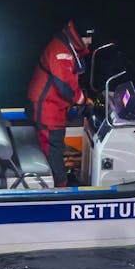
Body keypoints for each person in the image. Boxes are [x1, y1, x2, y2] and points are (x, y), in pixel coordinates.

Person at [27, 20, 95, 186]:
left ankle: (59, 183)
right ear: (78, 36)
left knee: (54, 148)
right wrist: (82, 100)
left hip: (52, 107)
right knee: (53, 150)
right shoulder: (61, 52)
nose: (89, 42)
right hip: (47, 109)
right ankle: (59, 189)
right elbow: (65, 86)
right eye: (87, 37)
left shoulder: (67, 45)